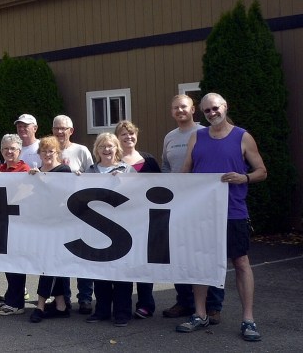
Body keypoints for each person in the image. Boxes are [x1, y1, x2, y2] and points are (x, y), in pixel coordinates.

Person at [176, 93, 267, 343]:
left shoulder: (242, 136)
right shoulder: (198, 136)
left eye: (215, 108)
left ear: (225, 107)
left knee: (240, 263)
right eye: (206, 111)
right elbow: (185, 172)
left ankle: (248, 319)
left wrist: (244, 177)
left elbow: (262, 171)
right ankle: (201, 314)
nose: (211, 113)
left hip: (234, 212)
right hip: (201, 214)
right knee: (201, 264)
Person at [161, 95, 221, 321]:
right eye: (175, 107)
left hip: (202, 202)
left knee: (207, 253)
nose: (180, 110)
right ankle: (184, 301)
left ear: (193, 109)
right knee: (180, 253)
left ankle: (214, 305)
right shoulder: (169, 137)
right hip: (177, 202)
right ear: (171, 112)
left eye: (183, 107)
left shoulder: (206, 132)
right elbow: (166, 166)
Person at [83, 132, 136, 326]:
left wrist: (125, 181)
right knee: (100, 273)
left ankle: (122, 312)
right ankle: (102, 310)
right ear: (96, 150)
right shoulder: (89, 171)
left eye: (110, 146)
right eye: (102, 146)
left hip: (122, 229)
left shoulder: (128, 170)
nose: (106, 150)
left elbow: (138, 194)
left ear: (117, 149)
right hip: (95, 229)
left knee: (122, 273)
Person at [114, 119, 160, 319]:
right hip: (120, 220)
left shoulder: (148, 160)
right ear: (118, 138)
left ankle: (146, 303)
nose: (128, 137)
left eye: (131, 133)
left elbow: (161, 187)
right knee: (123, 262)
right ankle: (122, 305)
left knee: (143, 262)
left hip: (144, 218)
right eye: (124, 134)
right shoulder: (111, 161)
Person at [51, 114, 95, 312]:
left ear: (71, 131)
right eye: (57, 128)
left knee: (83, 255)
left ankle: (85, 298)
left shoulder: (81, 150)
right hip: (57, 213)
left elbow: (92, 175)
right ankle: (63, 298)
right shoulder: (48, 151)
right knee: (61, 257)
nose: (60, 132)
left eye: (64, 128)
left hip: (80, 211)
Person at [27, 136, 73, 323]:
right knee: (51, 264)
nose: (47, 154)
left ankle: (40, 305)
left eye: (51, 151)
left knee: (49, 264)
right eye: (43, 151)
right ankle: (61, 305)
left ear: (57, 153)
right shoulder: (36, 172)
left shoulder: (63, 170)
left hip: (59, 224)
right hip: (41, 224)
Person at [0, 133, 31, 316]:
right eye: (6, 148)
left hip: (19, 225)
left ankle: (16, 303)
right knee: (8, 263)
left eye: (13, 149)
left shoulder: (24, 170)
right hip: (3, 224)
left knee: (16, 264)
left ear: (19, 150)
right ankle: (11, 297)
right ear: (1, 150)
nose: (9, 152)